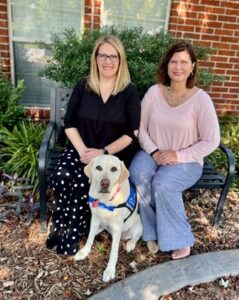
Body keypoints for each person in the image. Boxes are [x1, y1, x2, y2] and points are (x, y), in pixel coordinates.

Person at [46, 35, 141, 255]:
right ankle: (59, 231)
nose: (108, 61)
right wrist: (82, 152)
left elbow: (131, 134)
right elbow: (68, 123)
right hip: (81, 148)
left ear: (121, 59)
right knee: (62, 176)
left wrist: (102, 153)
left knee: (82, 181)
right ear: (95, 58)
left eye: (113, 56)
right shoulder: (83, 86)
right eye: (102, 55)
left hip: (111, 156)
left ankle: (74, 235)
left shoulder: (129, 92)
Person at [129, 41, 220, 259]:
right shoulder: (154, 92)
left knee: (163, 183)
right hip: (153, 152)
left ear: (192, 67)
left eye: (183, 62)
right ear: (166, 65)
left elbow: (211, 140)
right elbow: (139, 127)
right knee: (137, 173)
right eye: (173, 61)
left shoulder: (201, 100)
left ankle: (179, 238)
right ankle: (152, 231)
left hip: (187, 161)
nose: (178, 67)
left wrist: (178, 155)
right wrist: (154, 152)